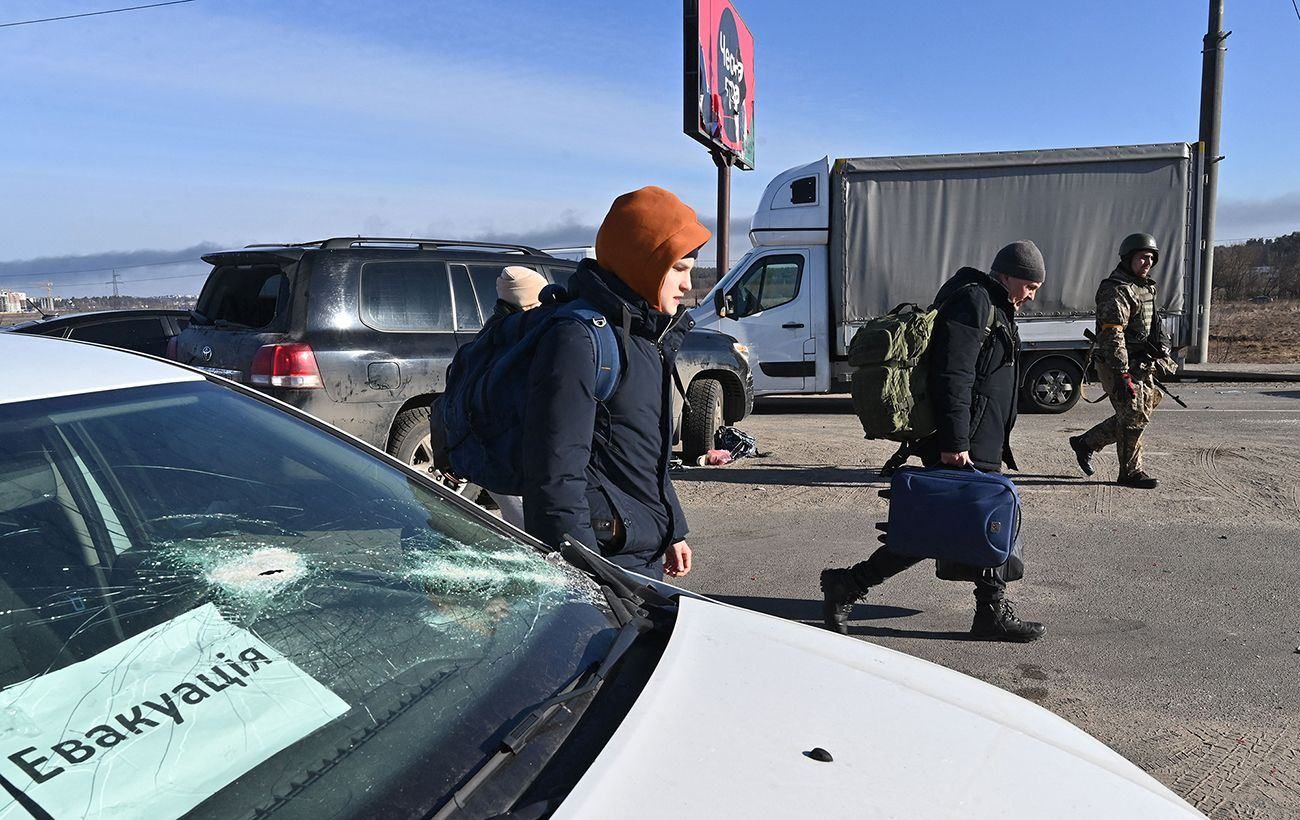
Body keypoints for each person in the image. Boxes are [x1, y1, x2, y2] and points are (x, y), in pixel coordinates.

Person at [820, 241, 1049, 642]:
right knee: (944, 526)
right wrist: (955, 440)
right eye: (1029, 285)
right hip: (964, 439)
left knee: (971, 523)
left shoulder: (994, 305)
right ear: (1007, 274)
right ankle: (848, 584)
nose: (1031, 295)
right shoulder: (974, 302)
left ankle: (989, 610)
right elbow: (952, 373)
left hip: (979, 436)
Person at [521, 186, 709, 580]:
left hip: (640, 551)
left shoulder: (645, 336)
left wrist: (672, 529)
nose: (688, 285)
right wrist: (584, 577)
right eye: (678, 269)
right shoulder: (578, 338)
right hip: (604, 562)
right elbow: (555, 477)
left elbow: (641, 458)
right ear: (643, 261)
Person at [1069, 233, 1171, 489]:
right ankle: (1131, 472)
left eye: (1151, 258)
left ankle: (1086, 443)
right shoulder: (1116, 290)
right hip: (1119, 365)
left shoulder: (1145, 287)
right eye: (1142, 257)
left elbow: (1155, 323)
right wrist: (1122, 373)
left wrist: (1164, 349)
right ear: (1128, 259)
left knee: (1138, 413)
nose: (1147, 262)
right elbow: (1113, 335)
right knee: (1134, 416)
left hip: (1142, 363)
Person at [483, 266, 550, 529]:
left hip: (492, 455)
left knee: (521, 529)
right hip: (521, 457)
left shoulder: (489, 334)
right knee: (540, 540)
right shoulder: (528, 339)